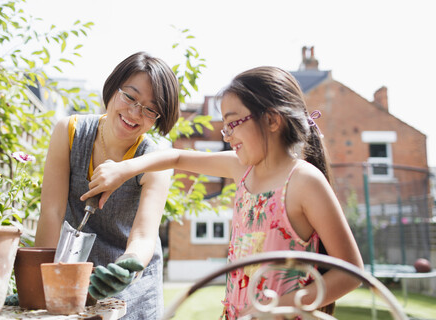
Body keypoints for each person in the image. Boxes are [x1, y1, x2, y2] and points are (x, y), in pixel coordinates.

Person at [81, 66, 364, 319]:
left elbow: (351, 272)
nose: (226, 135)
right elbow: (177, 158)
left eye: (233, 123)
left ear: (272, 121)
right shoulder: (243, 169)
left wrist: (282, 306)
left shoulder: (304, 181)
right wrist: (124, 169)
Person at [34, 52, 180, 319]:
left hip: (131, 285)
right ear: (113, 88)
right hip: (70, 275)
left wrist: (126, 268)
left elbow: (144, 236)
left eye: (150, 109)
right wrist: (39, 284)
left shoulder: (156, 155)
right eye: (130, 97)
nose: (135, 113)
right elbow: (51, 214)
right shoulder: (69, 131)